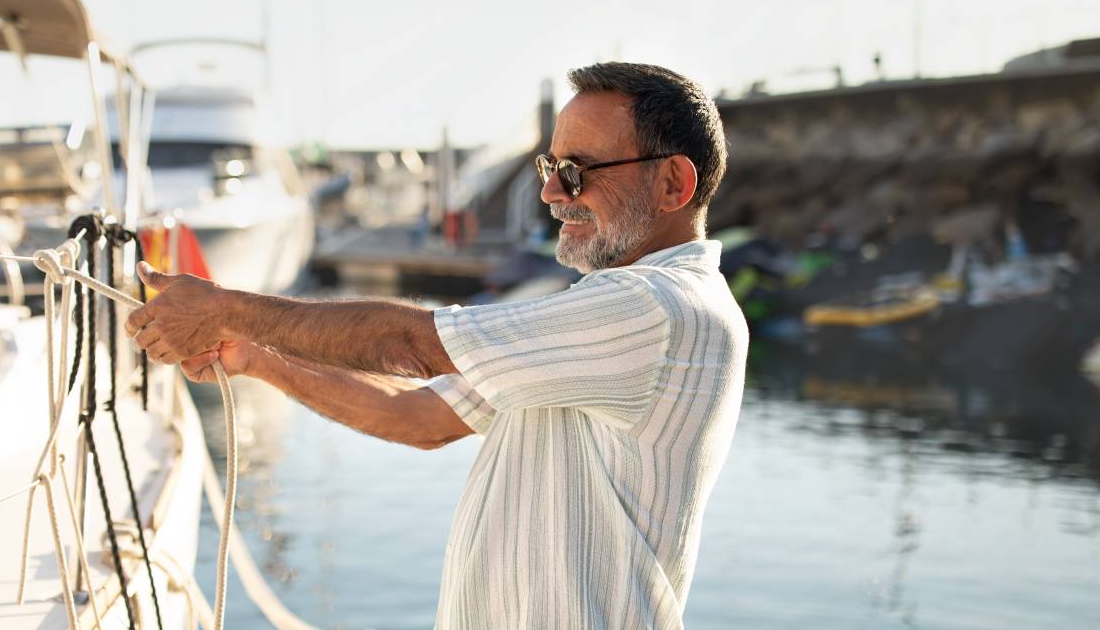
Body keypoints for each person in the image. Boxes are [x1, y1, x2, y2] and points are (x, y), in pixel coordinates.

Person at [126, 61, 747, 628]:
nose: (552, 193)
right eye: (548, 168)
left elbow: (414, 344)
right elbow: (415, 416)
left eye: (575, 172)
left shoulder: (660, 309)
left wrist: (226, 308)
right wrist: (254, 355)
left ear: (673, 183)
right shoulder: (601, 321)